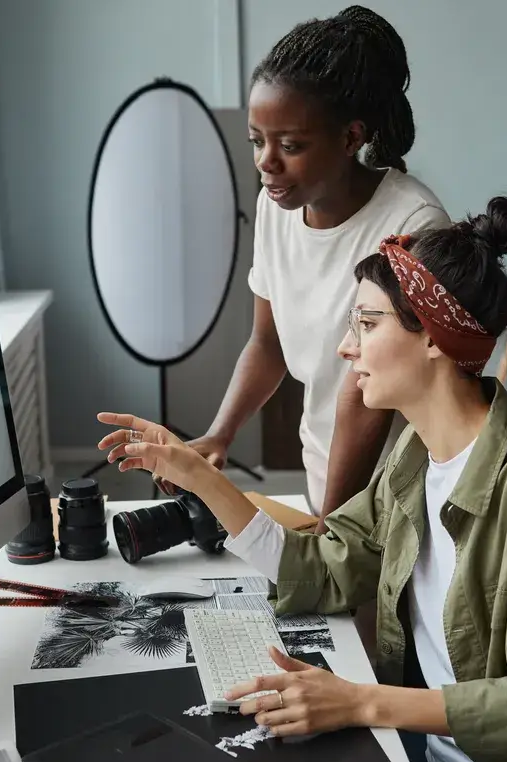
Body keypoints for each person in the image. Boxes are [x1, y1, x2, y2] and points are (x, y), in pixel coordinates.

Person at [96, 196, 507, 762]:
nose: (345, 348)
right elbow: (326, 565)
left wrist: (359, 702)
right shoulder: (416, 455)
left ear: (434, 338)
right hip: (427, 756)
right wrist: (198, 475)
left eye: (367, 323)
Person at [163, 5, 451, 528]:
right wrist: (219, 435)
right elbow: (268, 344)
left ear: (350, 138)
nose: (266, 162)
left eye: (290, 145)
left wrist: (333, 528)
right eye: (257, 141)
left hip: (399, 496)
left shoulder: (412, 224)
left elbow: (368, 396)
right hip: (327, 481)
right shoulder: (279, 207)